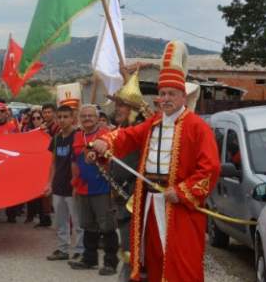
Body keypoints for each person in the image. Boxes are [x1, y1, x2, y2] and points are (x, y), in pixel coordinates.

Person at [91, 41, 221, 282]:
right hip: (150, 202)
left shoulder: (199, 128)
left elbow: (210, 168)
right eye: (162, 94)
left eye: (172, 93)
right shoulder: (153, 123)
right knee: (153, 259)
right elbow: (128, 136)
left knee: (182, 263)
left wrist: (182, 192)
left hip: (179, 206)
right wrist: (105, 142)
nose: (166, 98)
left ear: (183, 96)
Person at [105, 71, 151, 282]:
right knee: (128, 252)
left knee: (135, 255)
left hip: (138, 201)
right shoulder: (119, 131)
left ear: (134, 110)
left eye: (123, 105)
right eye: (118, 104)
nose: (118, 108)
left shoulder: (140, 133)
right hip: (122, 200)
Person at [68, 105, 117, 275]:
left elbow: (111, 158)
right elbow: (74, 160)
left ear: (97, 118)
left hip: (101, 187)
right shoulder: (76, 136)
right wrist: (74, 182)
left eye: (91, 116)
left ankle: (110, 262)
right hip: (82, 188)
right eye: (84, 116)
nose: (87, 118)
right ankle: (90, 259)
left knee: (107, 226)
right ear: (79, 118)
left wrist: (97, 156)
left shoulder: (106, 135)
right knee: (88, 225)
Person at [44, 105, 83, 261]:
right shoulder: (56, 138)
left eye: (65, 117)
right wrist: (49, 183)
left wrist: (78, 183)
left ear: (72, 118)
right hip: (58, 186)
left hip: (73, 187)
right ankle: (62, 249)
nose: (62, 120)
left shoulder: (78, 136)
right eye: (59, 117)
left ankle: (81, 250)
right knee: (61, 222)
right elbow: (53, 163)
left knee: (78, 222)